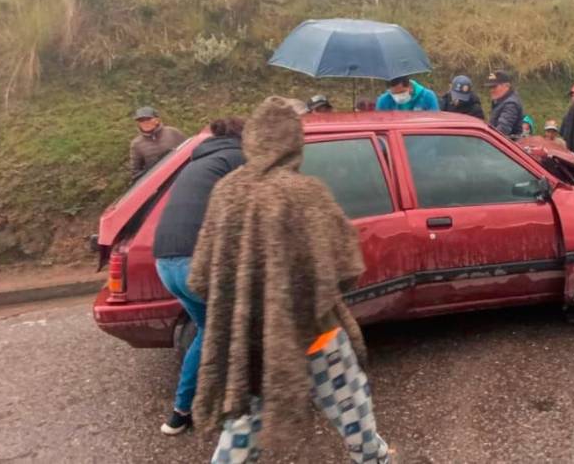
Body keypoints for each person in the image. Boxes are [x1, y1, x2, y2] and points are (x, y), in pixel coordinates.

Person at [187, 97, 392, 463]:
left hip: (251, 337)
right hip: (315, 333)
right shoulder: (305, 192)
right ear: (294, 141)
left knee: (246, 418)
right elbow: (347, 267)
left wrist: (246, 301)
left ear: (252, 139)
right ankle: (374, 457)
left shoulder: (226, 192)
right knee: (351, 404)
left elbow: (201, 277)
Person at [152, 117, 246, 435]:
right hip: (195, 262)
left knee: (209, 331)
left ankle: (179, 414)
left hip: (165, 263)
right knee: (245, 326)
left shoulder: (198, 162)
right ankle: (240, 412)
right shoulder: (237, 158)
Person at [130, 106, 186, 182]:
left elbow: (189, 152)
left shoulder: (173, 132)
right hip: (159, 184)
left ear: (157, 120)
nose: (145, 123)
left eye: (148, 119)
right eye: (141, 121)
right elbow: (135, 173)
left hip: (182, 177)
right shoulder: (136, 144)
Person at [486, 70, 524, 138]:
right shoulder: (500, 102)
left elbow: (502, 130)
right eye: (490, 87)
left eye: (494, 87)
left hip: (506, 146)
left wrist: (486, 139)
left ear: (507, 86)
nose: (491, 90)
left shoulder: (511, 104)